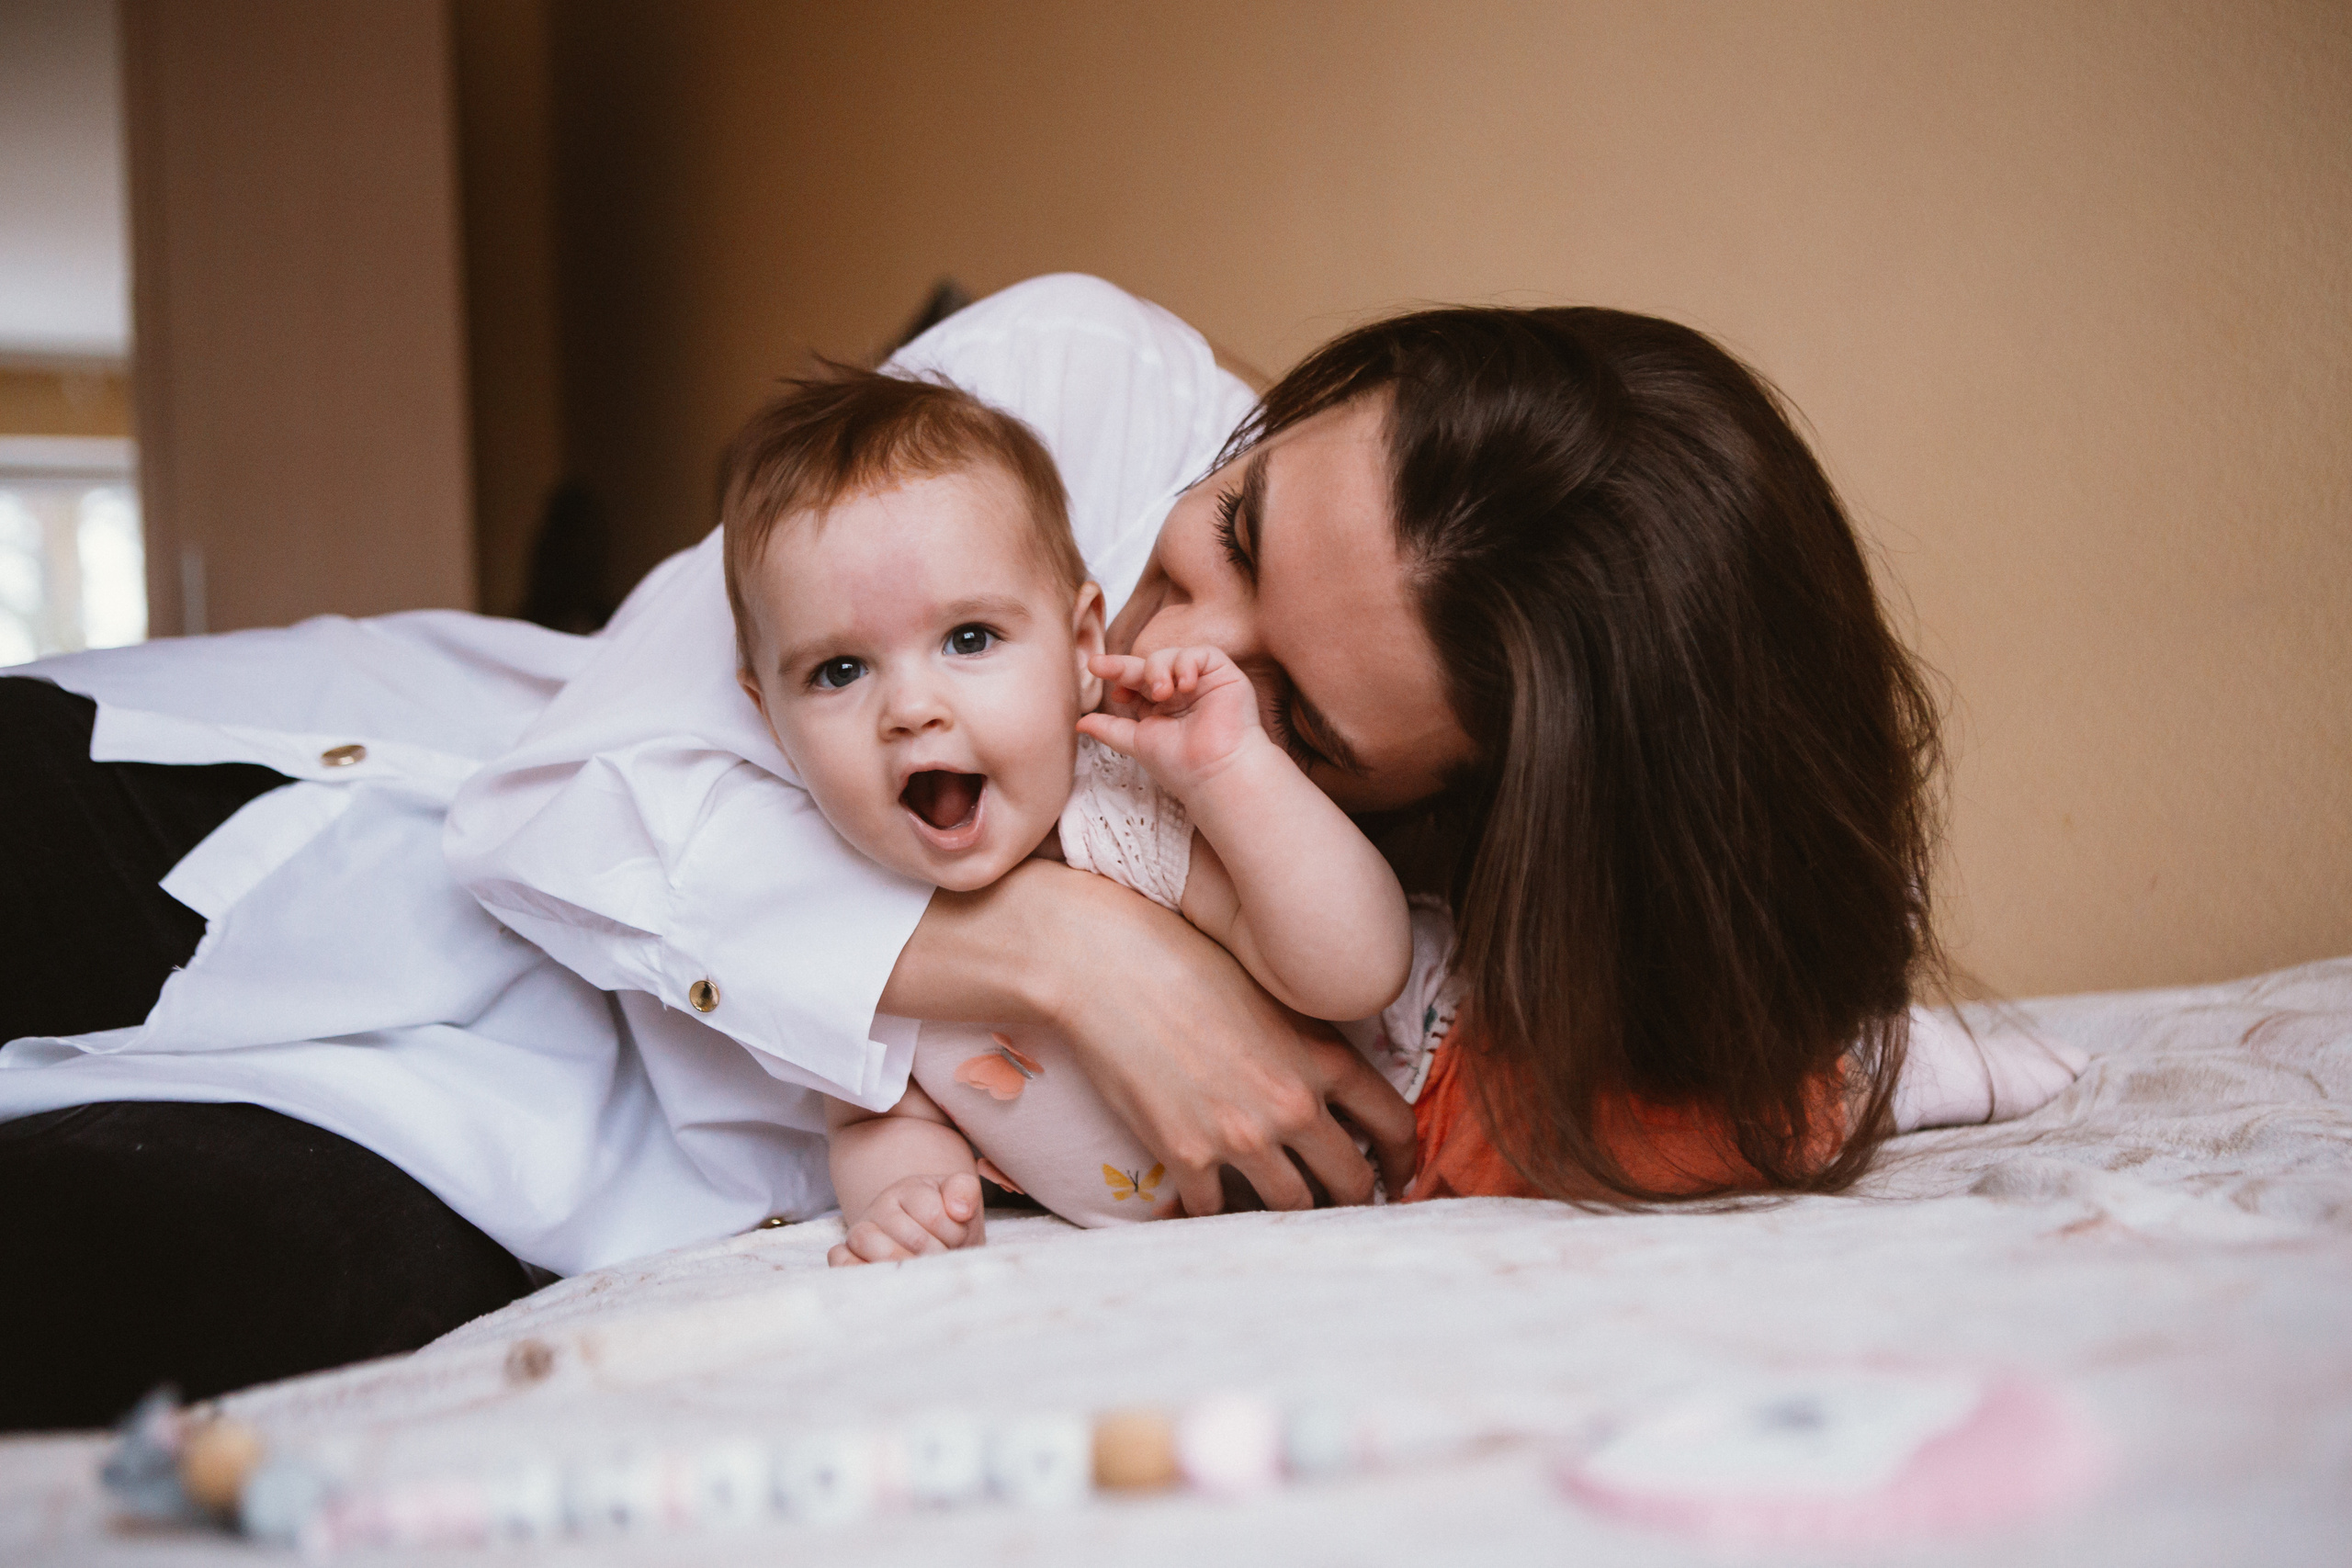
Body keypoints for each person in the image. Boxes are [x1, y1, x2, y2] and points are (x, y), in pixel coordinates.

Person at [0, 275, 2073, 1428]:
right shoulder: (1079, 383)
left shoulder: (1392, 892)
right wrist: (1081, 950)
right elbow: (552, 809)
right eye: (1234, 533)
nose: (1178, 648)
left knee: (99, 1284)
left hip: (514, 1162)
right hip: (301, 820)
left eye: (1304, 707)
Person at [713, 366, 1419, 1260]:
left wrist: (1236, 773)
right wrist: (908, 1201)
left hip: (1426, 1108)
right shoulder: (842, 917)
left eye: (969, 640)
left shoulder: (1120, 816)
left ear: (1083, 645)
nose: (910, 708)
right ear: (766, 715)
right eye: (839, 672)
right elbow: (869, 1120)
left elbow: (1354, 969)